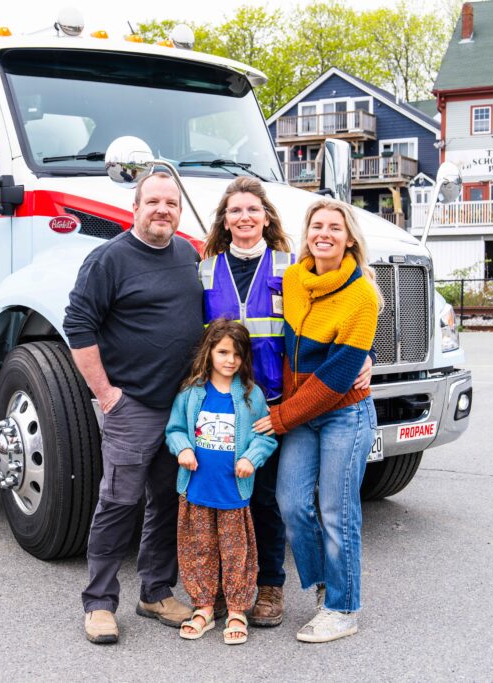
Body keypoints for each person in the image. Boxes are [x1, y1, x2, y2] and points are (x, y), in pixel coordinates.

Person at [199, 177, 372, 628]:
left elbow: (341, 352)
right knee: (267, 501)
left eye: (253, 210)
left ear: (267, 217)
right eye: (235, 211)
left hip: (287, 406)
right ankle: (288, 588)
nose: (244, 218)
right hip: (237, 405)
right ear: (224, 220)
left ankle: (325, 599)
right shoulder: (286, 274)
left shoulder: (294, 269)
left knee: (304, 507)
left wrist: (365, 357)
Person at [64, 171, 204, 645]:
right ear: (135, 208)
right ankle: (100, 603)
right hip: (132, 406)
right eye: (153, 202)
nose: (163, 209)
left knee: (167, 501)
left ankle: (156, 592)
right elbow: (77, 325)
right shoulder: (108, 259)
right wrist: (107, 395)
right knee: (119, 503)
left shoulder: (188, 254)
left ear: (179, 210)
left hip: (181, 409)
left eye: (171, 202)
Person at [255, 197, 380, 644]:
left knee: (336, 511)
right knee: (290, 503)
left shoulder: (362, 294)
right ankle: (330, 582)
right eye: (316, 226)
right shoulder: (292, 279)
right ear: (306, 234)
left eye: (335, 227)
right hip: (304, 413)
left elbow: (336, 377)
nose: (324, 233)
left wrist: (281, 417)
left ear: (349, 239)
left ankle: (343, 608)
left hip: (344, 412)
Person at [164, 319, 277, 645]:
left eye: (237, 354)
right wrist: (183, 448)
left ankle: (238, 609)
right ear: (209, 352)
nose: (230, 360)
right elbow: (174, 430)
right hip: (198, 490)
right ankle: (203, 607)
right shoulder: (191, 393)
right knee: (199, 549)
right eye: (223, 351)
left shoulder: (251, 396)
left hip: (233, 494)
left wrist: (250, 459)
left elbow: (265, 438)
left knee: (235, 551)